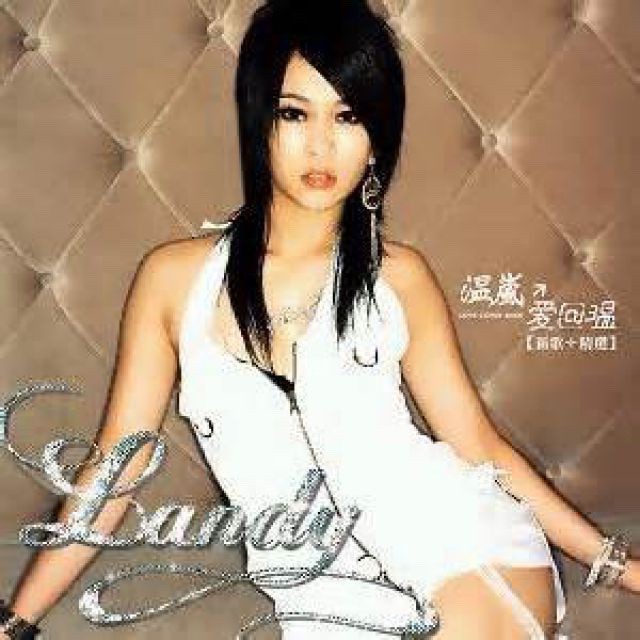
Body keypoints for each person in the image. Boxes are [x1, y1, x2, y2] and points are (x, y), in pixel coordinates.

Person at [1, 0, 638, 638]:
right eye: (294, 113)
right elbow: (115, 469)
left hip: (463, 543)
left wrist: (616, 564)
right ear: (260, 121)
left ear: (376, 139)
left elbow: (479, 445)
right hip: (322, 591)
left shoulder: (399, 277)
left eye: (349, 116)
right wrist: (16, 621)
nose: (321, 144)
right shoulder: (173, 281)